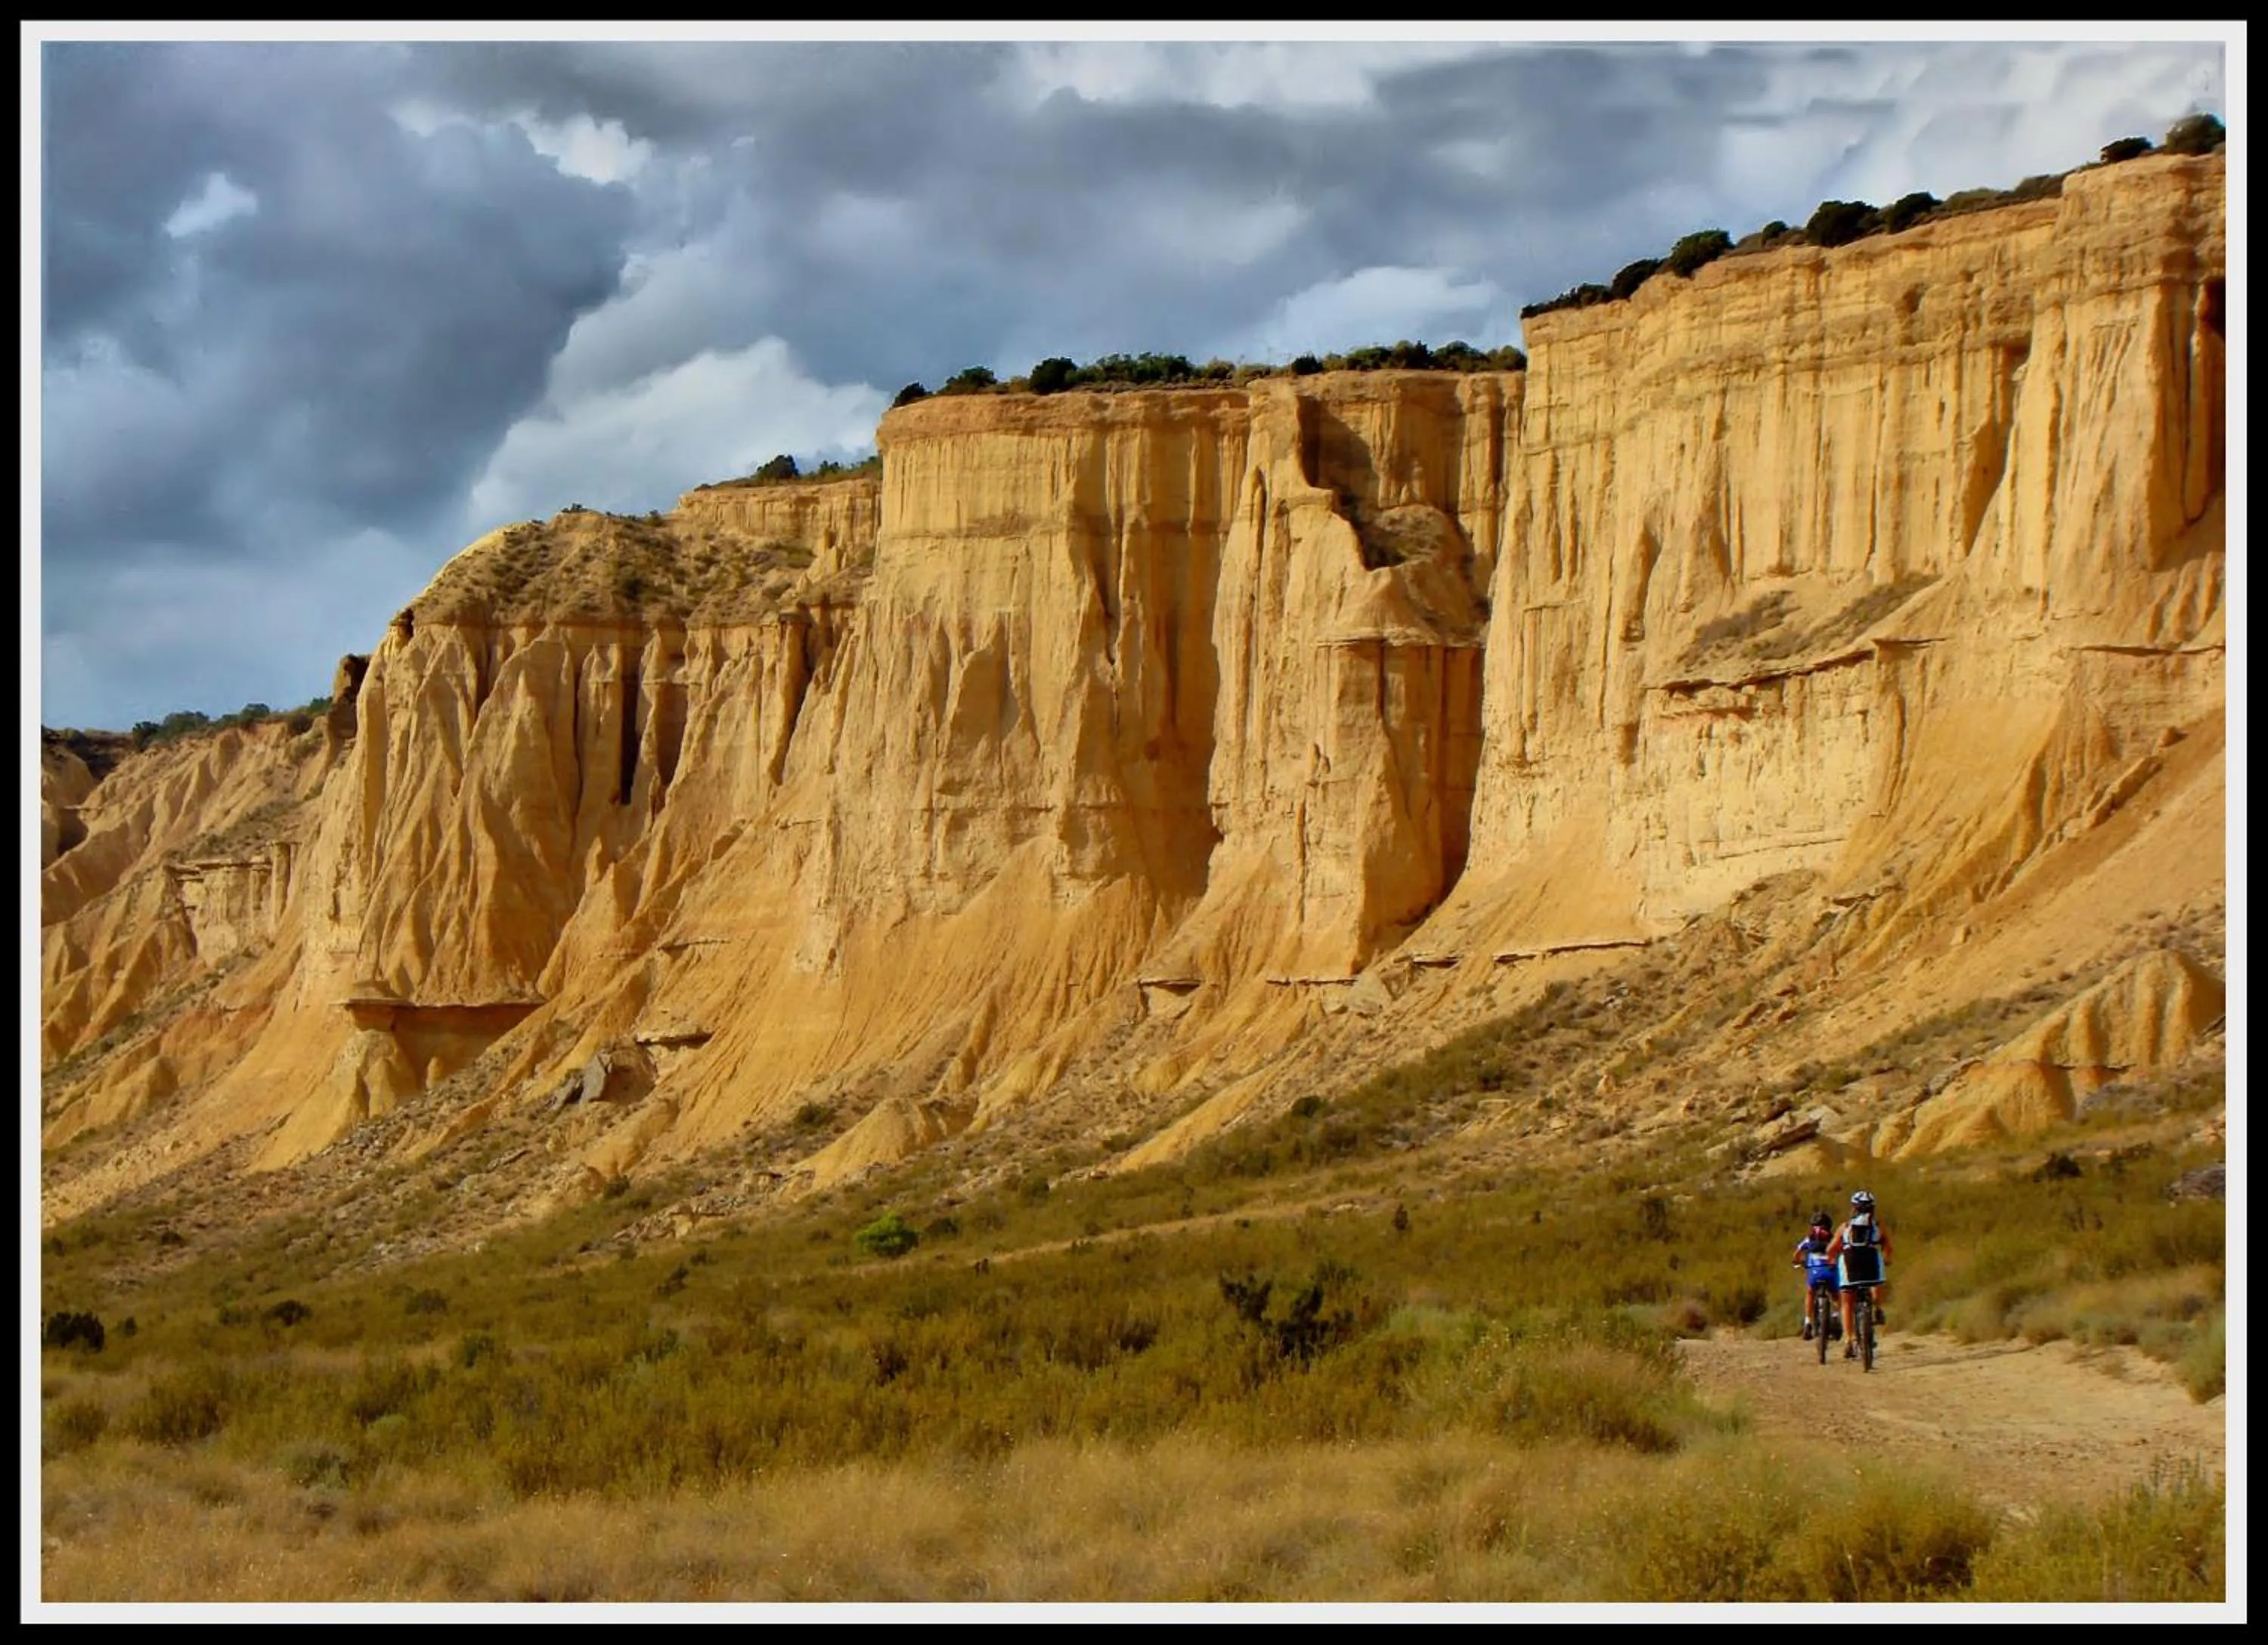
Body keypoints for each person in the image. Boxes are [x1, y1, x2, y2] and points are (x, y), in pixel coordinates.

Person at [1826, 1189, 1892, 1358]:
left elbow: (1831, 1249)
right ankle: (1877, 1308)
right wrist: (1887, 1258)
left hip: (1850, 1262)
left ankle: (1849, 1340)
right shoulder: (1879, 1226)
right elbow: (1887, 1246)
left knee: (1847, 1300)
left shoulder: (1845, 1227)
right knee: (1877, 1283)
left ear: (1854, 1208)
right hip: (1871, 1260)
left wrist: (1832, 1259)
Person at [1791, 1210, 1839, 1340]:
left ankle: (1807, 1323)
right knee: (1835, 1294)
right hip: (1831, 1271)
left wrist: (1797, 1262)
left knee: (1810, 1292)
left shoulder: (1810, 1238)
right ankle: (1835, 1317)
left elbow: (1797, 1253)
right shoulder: (1834, 1238)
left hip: (1815, 1273)